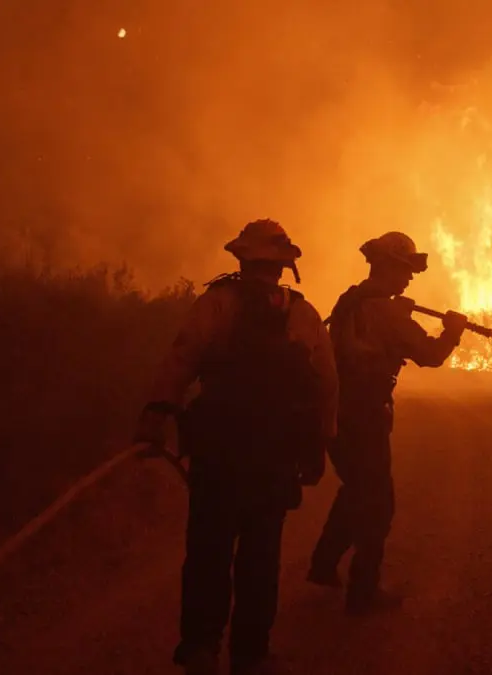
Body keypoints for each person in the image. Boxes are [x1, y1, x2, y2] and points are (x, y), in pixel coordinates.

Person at [133, 219, 338, 675]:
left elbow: (182, 358)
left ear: (243, 259)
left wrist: (155, 416)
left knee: (209, 549)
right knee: (260, 557)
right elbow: (326, 384)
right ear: (283, 266)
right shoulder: (302, 314)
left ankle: (200, 649)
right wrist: (320, 446)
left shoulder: (217, 303)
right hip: (275, 455)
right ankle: (251, 654)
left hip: (219, 450)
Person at [307, 231, 468, 614]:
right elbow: (430, 354)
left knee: (356, 487)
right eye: (405, 269)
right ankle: (363, 593)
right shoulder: (387, 312)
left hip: (336, 410)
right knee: (378, 503)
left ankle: (323, 564)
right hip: (365, 415)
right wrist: (452, 332)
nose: (410, 277)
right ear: (387, 267)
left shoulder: (351, 299)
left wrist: (400, 313)